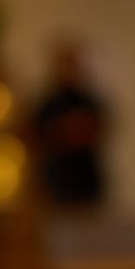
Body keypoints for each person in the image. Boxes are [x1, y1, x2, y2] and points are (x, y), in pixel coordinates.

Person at [31, 38, 107, 207]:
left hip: (85, 180)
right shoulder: (48, 104)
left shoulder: (89, 101)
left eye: (71, 62)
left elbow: (101, 130)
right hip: (56, 181)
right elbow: (36, 136)